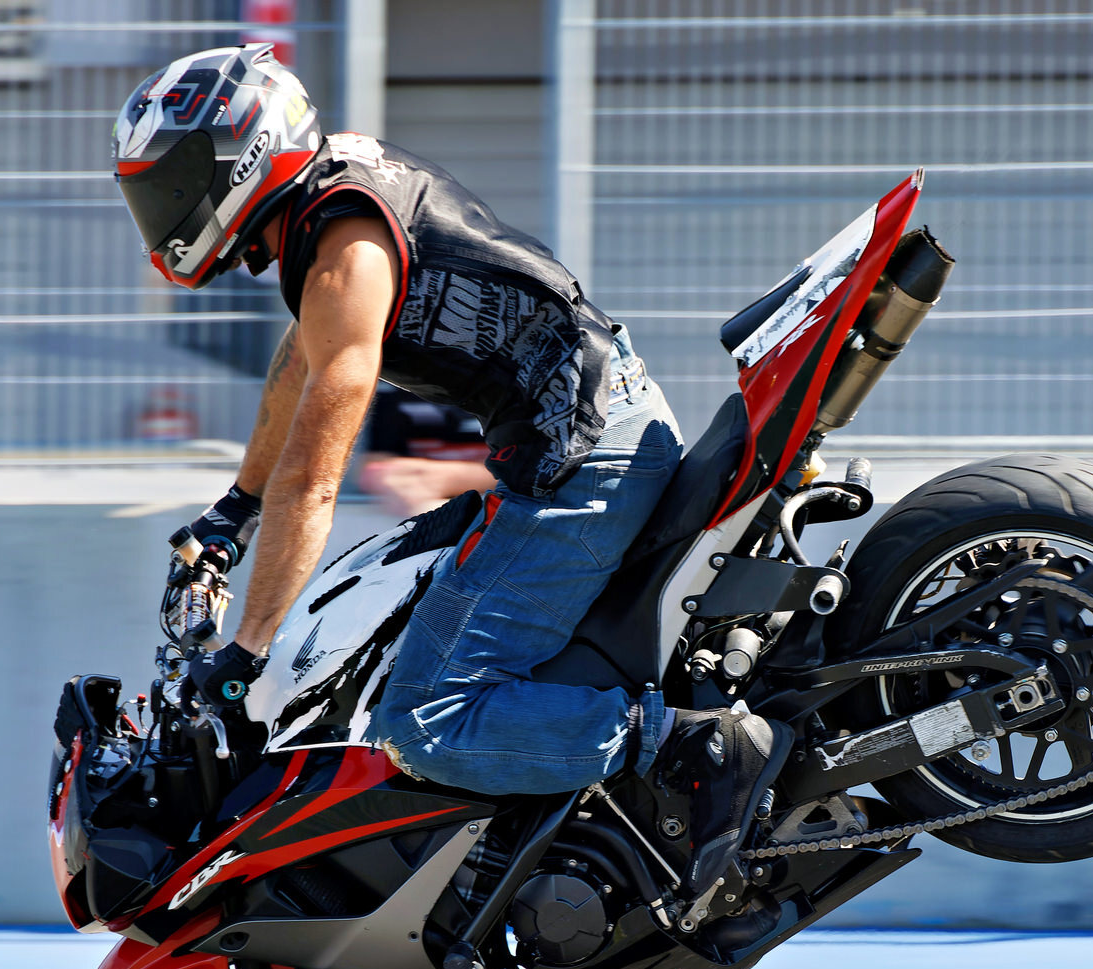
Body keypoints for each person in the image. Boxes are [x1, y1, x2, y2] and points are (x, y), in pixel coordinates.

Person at [112, 44, 787, 901]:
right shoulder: (334, 203)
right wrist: (236, 507)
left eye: (170, 181)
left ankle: (691, 747)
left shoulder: (347, 257)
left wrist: (247, 652)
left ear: (238, 158)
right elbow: (297, 366)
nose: (162, 205)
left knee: (426, 718)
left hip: (586, 461)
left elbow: (313, 484)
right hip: (584, 437)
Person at [353, 385, 496, 517]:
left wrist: (452, 479)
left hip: (496, 505)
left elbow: (511, 468)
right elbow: (369, 463)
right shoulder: (385, 388)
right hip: (416, 510)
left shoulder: (504, 381)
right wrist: (384, 475)